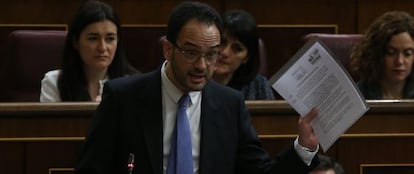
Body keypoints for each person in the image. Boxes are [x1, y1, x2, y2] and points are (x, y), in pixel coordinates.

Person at [75, 2, 320, 174]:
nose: (202, 66)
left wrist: (304, 147)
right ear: (168, 49)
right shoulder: (123, 97)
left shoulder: (229, 105)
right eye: (191, 53)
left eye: (212, 54)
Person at [40, 0, 137, 102]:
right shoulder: (54, 82)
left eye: (110, 39)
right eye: (93, 38)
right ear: (75, 42)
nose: (102, 48)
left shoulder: (134, 84)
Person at [350, 11, 414, 99]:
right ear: (376, 55)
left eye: (407, 54)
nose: (399, 61)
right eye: (391, 52)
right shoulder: (357, 95)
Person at [213, 10, 275, 100]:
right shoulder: (194, 78)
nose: (224, 52)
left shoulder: (258, 85)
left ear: (246, 57)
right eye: (222, 42)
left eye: (237, 48)